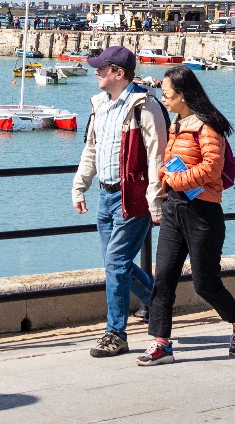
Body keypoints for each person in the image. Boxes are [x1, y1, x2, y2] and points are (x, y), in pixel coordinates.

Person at [138, 67, 235, 366]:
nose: (163, 100)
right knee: (163, 278)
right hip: (173, 209)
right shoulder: (177, 125)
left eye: (167, 95)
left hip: (203, 212)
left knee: (205, 282)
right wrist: (165, 179)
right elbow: (169, 162)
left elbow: (212, 170)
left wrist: (174, 180)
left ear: (183, 95)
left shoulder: (207, 127)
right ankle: (161, 344)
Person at [69, 47, 165, 358]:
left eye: (101, 69)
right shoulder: (100, 106)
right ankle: (160, 302)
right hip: (104, 195)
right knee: (117, 264)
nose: (96, 72)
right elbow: (91, 151)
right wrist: (79, 186)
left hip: (132, 197)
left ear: (118, 74)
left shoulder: (145, 107)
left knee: (115, 263)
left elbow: (157, 157)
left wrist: (154, 200)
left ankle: (116, 333)